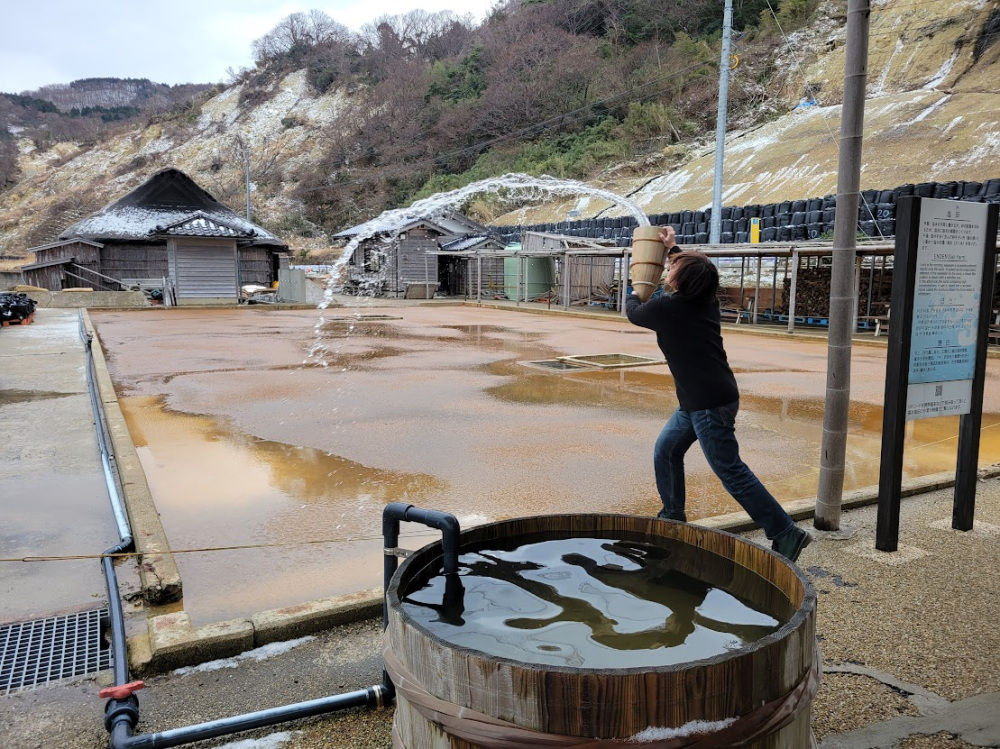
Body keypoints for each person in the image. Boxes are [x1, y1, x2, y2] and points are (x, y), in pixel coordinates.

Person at [625, 225, 811, 562]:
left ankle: (785, 532)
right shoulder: (703, 301)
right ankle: (672, 515)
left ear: (683, 282)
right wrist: (672, 247)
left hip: (709, 404)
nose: (669, 269)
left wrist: (633, 284)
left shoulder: (668, 308)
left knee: (730, 470)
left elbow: (634, 311)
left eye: (673, 269)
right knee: (666, 452)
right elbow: (693, 270)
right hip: (701, 399)